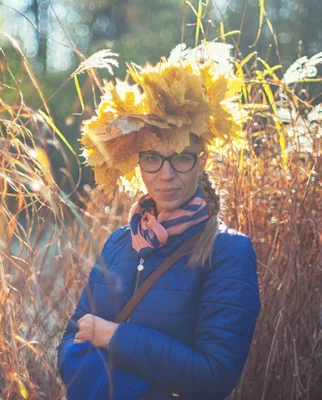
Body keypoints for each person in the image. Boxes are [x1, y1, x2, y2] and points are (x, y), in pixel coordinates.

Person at [57, 52, 261, 400]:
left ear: (202, 161)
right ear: (137, 162)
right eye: (152, 158)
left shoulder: (229, 251)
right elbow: (69, 339)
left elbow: (215, 376)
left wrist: (113, 338)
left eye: (181, 157)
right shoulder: (119, 243)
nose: (166, 175)